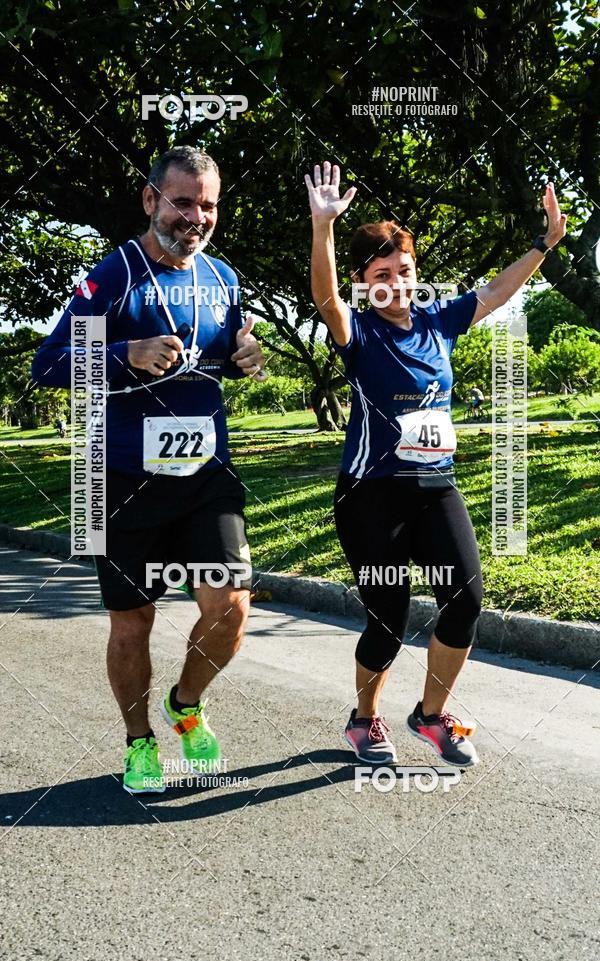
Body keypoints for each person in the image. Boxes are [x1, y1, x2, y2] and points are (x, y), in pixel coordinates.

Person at [305, 162, 566, 767]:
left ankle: (430, 716)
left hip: (435, 483)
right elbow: (324, 297)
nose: (395, 283)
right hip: (371, 492)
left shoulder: (436, 320)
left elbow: (497, 291)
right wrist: (323, 228)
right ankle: (364, 719)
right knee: (389, 615)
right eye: (381, 275)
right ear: (363, 283)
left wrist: (543, 244)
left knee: (465, 601)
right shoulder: (360, 332)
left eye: (404, 271)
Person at [32, 146, 265, 793]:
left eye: (208, 205)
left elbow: (227, 347)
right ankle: (139, 743)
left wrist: (246, 354)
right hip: (122, 479)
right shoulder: (113, 276)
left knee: (232, 607)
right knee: (133, 623)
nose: (196, 216)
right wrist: (122, 351)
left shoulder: (222, 278)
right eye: (184, 201)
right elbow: (46, 364)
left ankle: (185, 705)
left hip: (206, 478)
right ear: (150, 200)